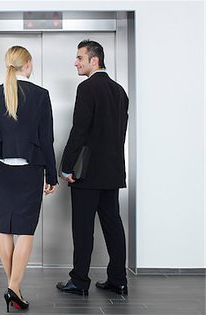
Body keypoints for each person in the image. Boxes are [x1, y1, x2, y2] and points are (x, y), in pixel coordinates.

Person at [0, 46, 57, 312]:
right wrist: (51, 175)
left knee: (4, 229)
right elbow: (47, 139)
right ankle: (13, 288)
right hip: (30, 169)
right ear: (28, 64)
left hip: (2, 170)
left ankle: (14, 288)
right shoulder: (41, 95)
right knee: (26, 230)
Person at [56, 40, 129, 296]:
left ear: (94, 60)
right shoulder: (120, 92)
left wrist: (65, 167)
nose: (76, 62)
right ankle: (118, 279)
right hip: (112, 173)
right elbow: (120, 134)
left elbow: (79, 131)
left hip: (86, 175)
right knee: (113, 226)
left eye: (79, 58)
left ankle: (79, 281)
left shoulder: (87, 88)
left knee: (83, 228)